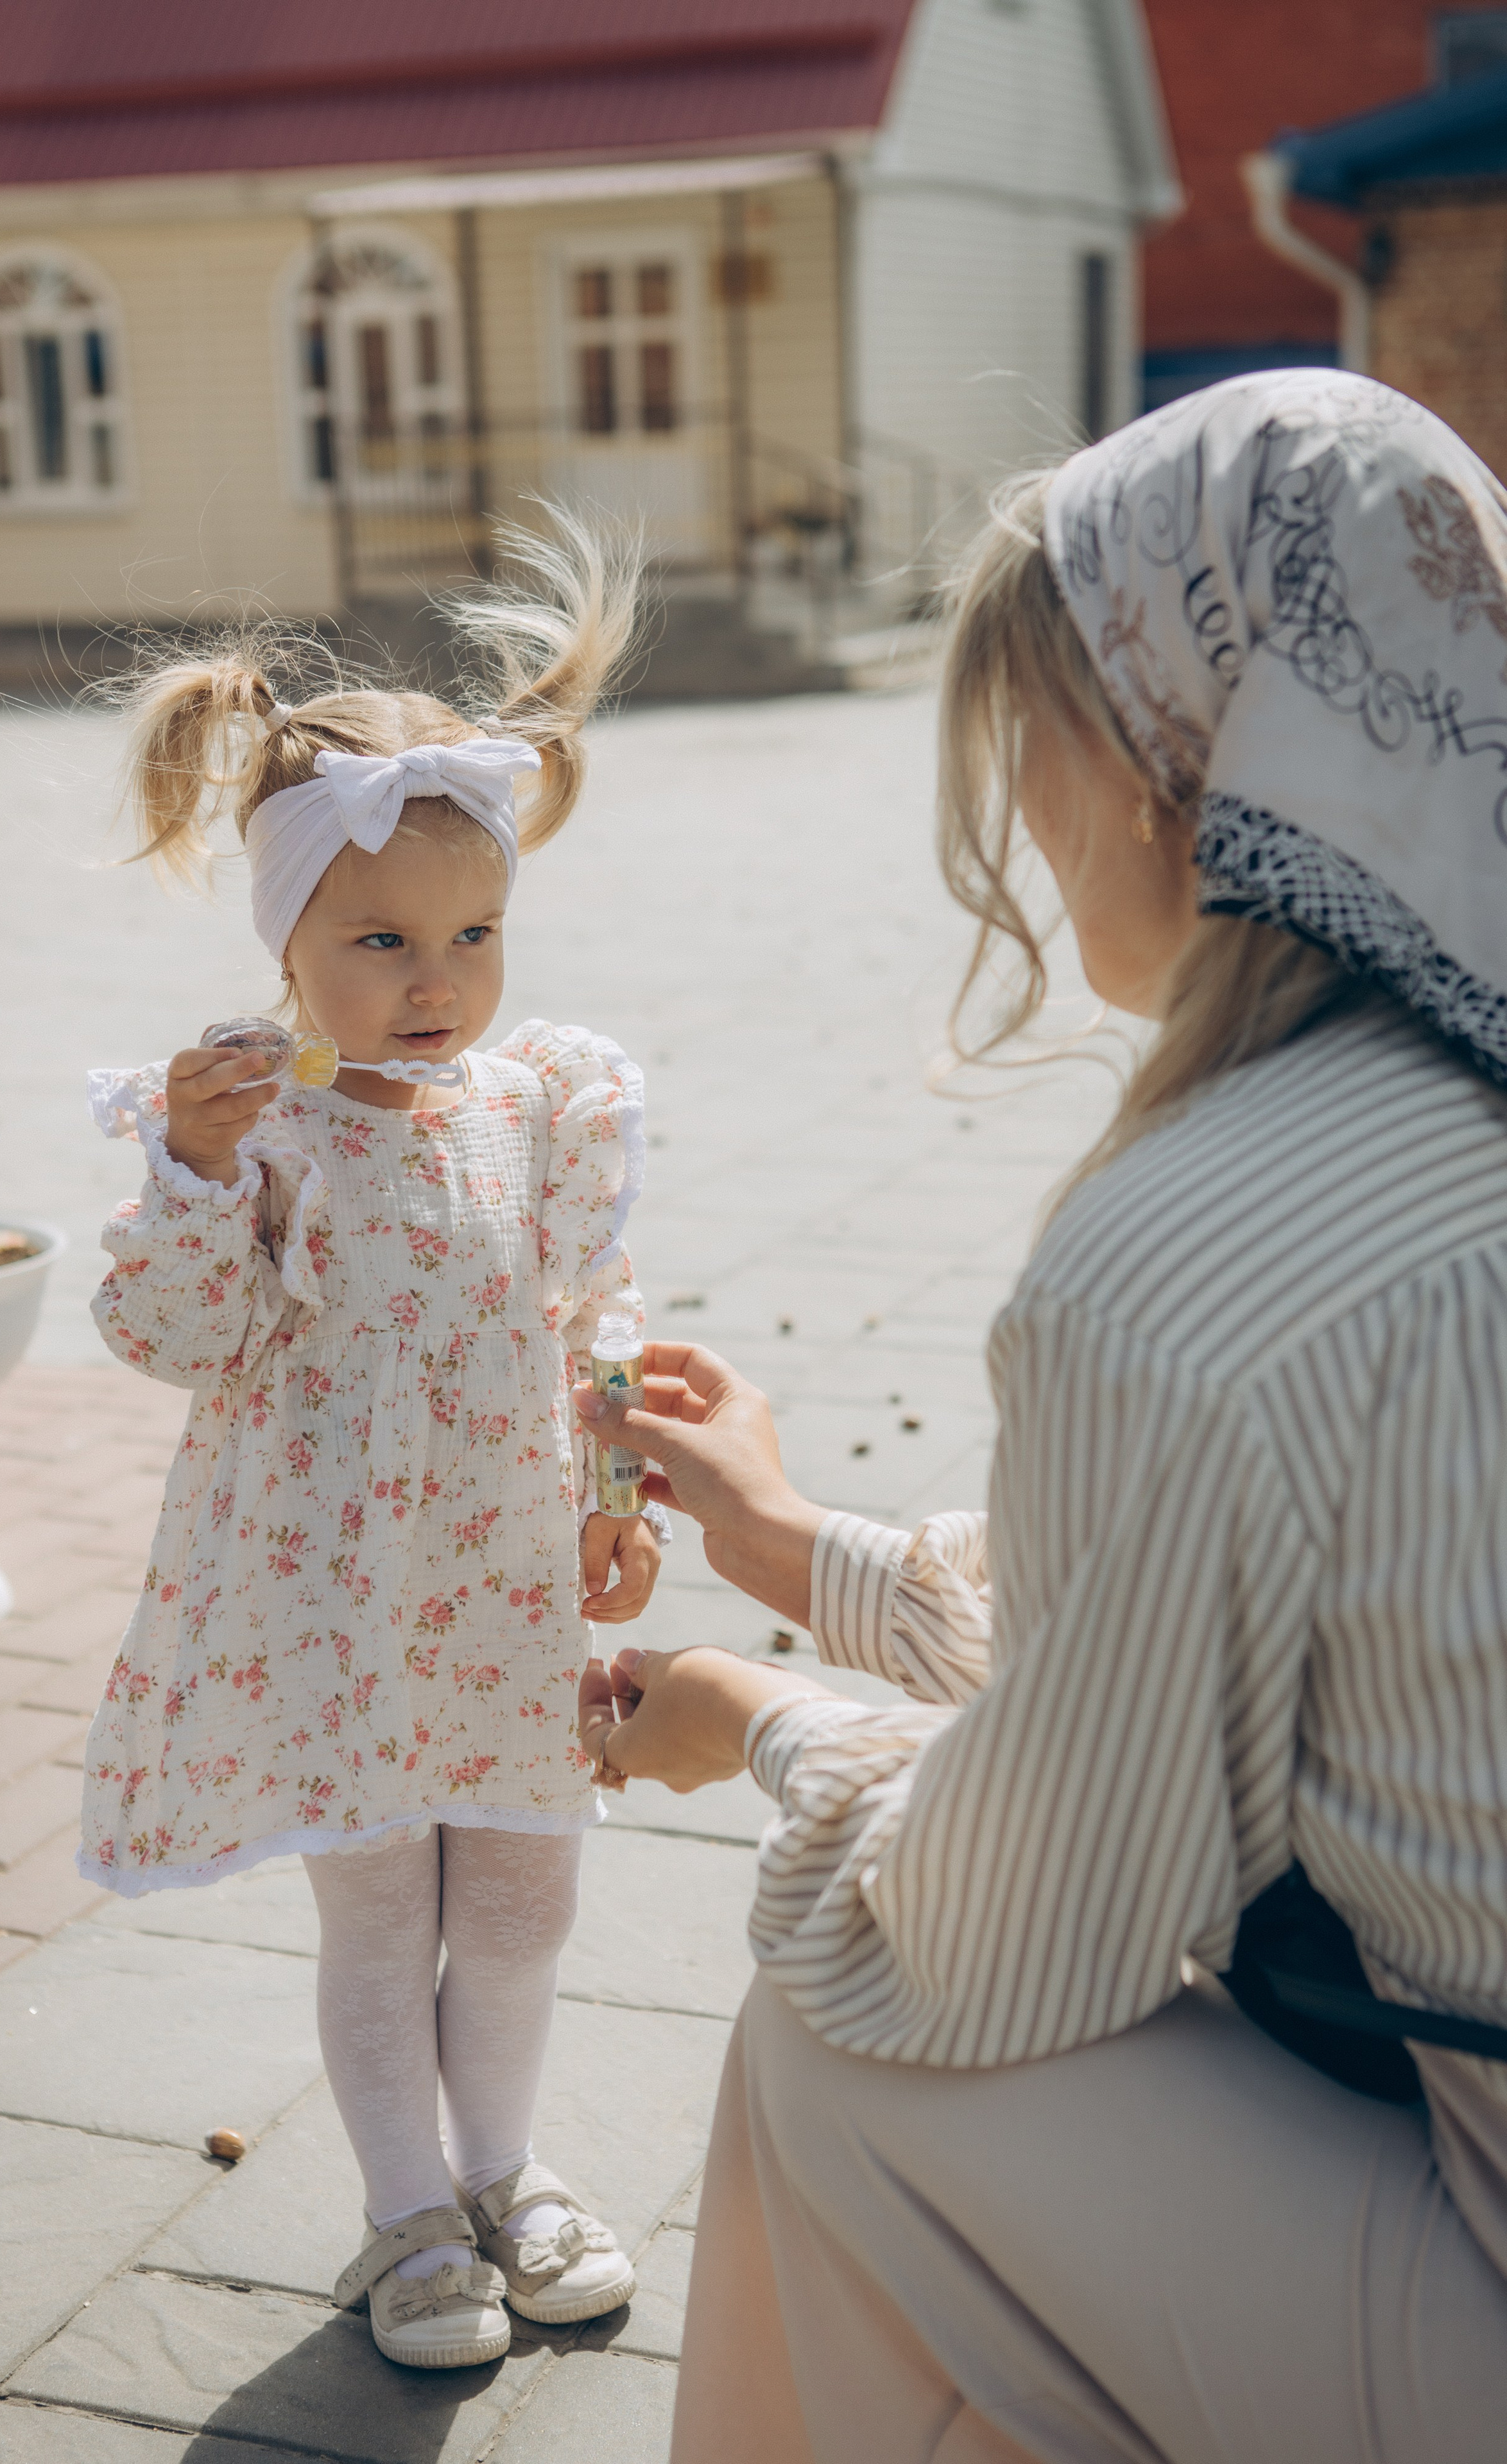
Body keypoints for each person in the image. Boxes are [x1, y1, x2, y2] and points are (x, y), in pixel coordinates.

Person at [575, 373, 1507, 2463]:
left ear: (1177, 757)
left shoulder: (1202, 1237)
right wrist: (804, 1546)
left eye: (1029, 724)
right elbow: (1297, 1659)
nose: (1015, 801)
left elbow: (1023, 1934)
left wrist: (760, 1714)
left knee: (857, 2057)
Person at [78, 519, 667, 2370]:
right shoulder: (259, 1121)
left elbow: (593, 1308)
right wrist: (187, 1169)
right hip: (330, 1590)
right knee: (374, 1900)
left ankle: (506, 2165)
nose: (437, 976)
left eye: (474, 932)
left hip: (501, 1574)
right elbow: (176, 1337)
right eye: (383, 940)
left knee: (523, 1885)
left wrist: (626, 1486)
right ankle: (408, 2210)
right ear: (289, 938)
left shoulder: (540, 1100)